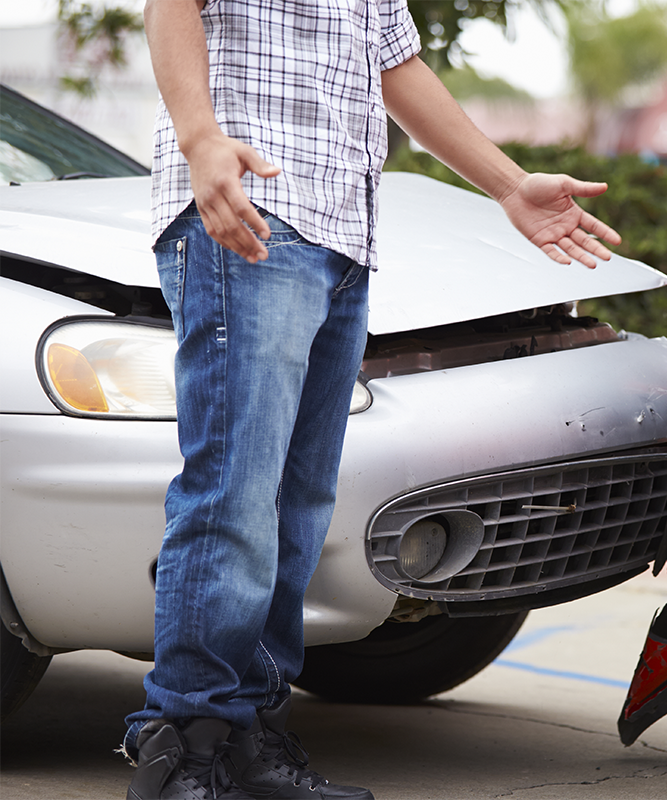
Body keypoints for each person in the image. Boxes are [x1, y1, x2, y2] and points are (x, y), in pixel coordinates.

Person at [123, 1, 621, 799]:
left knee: (297, 509)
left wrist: (509, 185)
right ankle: (186, 746)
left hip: (342, 235)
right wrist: (200, 138)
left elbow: (395, 66)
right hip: (250, 212)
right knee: (235, 497)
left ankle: (250, 739)